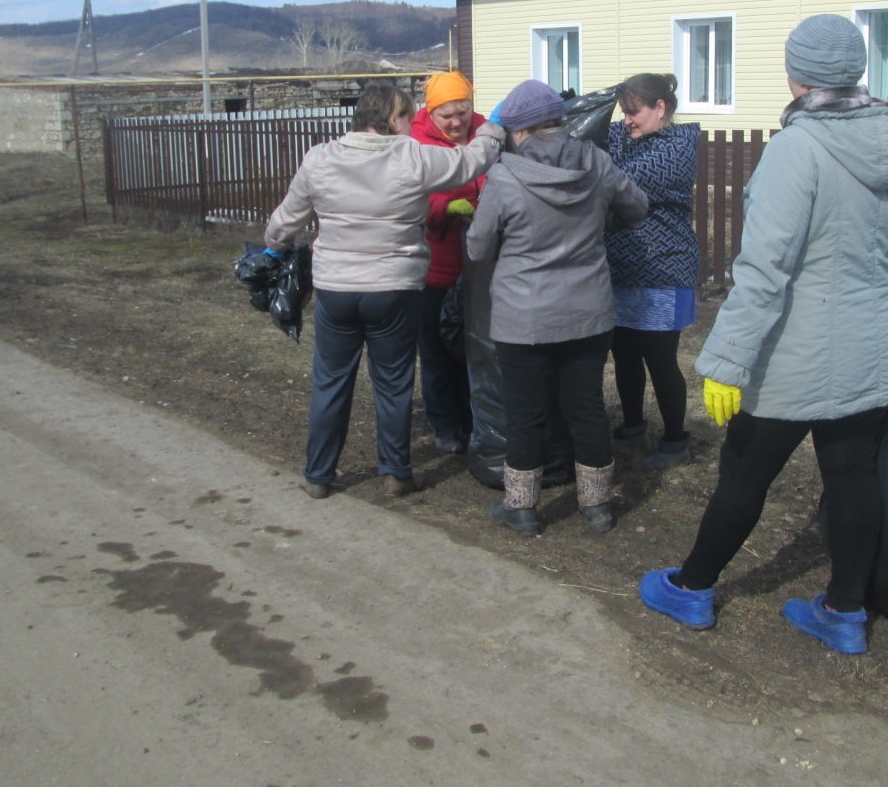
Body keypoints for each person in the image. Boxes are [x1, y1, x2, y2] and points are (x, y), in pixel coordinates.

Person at [637, 13, 888, 655]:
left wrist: (727, 361)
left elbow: (765, 270)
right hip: (874, 347)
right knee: (854, 478)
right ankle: (844, 613)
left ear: (796, 73)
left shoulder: (797, 148)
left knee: (744, 472)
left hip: (796, 352)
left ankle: (691, 589)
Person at [264, 82, 505, 499]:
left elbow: (285, 221)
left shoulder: (320, 158)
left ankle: (319, 475)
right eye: (408, 117)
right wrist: (493, 129)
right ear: (391, 119)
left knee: (330, 381)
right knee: (393, 383)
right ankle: (396, 472)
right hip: (394, 288)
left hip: (336, 289)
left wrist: (273, 247)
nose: (413, 124)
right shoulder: (411, 156)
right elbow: (470, 162)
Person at [466, 79, 648, 535]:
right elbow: (637, 208)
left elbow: (477, 248)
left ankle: (522, 509)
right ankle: (597, 507)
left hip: (522, 316)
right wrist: (600, 220)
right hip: (589, 311)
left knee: (524, 411)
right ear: (560, 123)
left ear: (519, 130)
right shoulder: (597, 162)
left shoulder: (506, 176)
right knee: (585, 407)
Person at [603, 73, 701, 470]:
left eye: (634, 111)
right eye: (623, 111)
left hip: (664, 270)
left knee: (660, 360)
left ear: (660, 108)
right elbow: (590, 136)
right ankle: (632, 428)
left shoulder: (677, 149)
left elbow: (618, 180)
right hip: (621, 270)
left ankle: (675, 442)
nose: (627, 119)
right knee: (623, 354)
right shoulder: (625, 136)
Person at [409, 71, 485, 454]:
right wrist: (442, 208)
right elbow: (411, 198)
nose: (457, 122)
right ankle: (444, 425)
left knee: (475, 353)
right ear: (431, 112)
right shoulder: (415, 141)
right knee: (437, 352)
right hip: (434, 269)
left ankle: (476, 423)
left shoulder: (487, 134)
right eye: (447, 115)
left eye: (464, 111)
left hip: (479, 269)